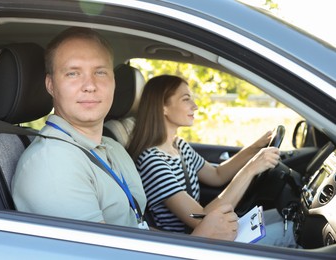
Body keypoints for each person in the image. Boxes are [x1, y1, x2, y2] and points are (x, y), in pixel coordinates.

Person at [11, 27, 238, 241]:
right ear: (51, 85)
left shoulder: (112, 147)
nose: (90, 85)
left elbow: (134, 228)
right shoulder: (52, 165)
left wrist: (189, 240)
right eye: (73, 73)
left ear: (113, 82)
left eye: (100, 72)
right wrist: (200, 241)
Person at [127, 75, 297, 247]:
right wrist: (251, 169)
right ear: (162, 107)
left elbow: (217, 175)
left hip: (214, 232)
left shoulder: (178, 146)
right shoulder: (152, 161)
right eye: (186, 99)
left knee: (283, 215)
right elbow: (201, 220)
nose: (195, 106)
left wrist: (255, 147)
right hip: (191, 244)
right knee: (291, 230)